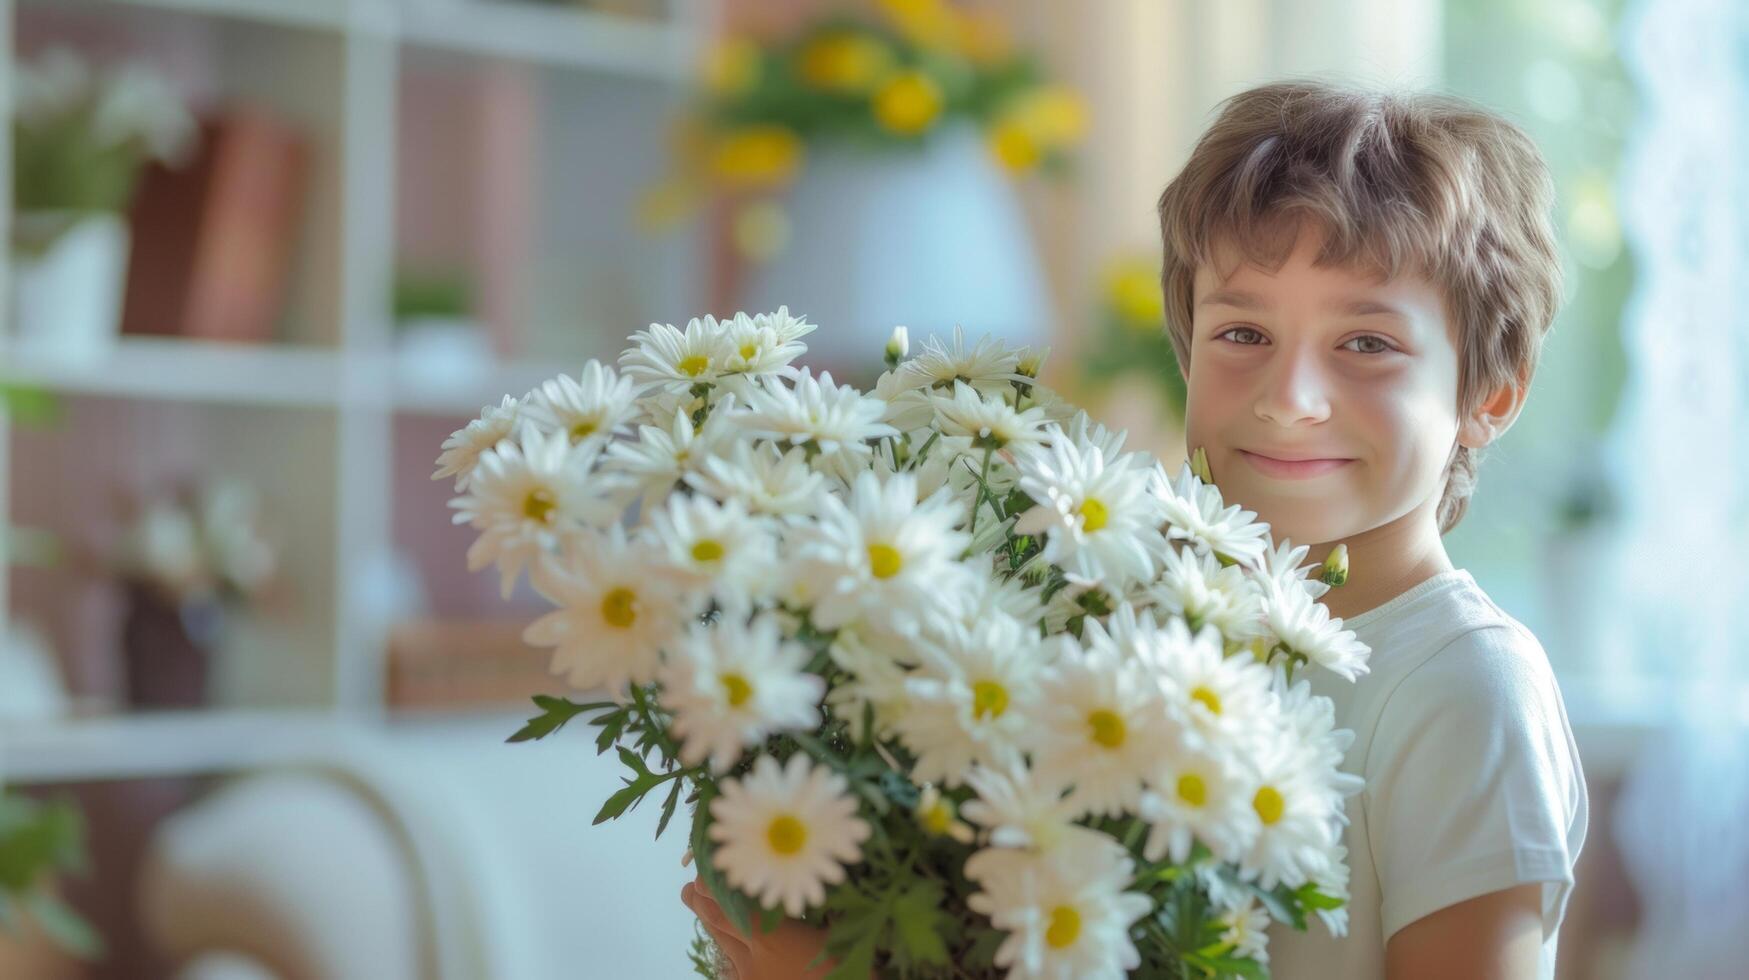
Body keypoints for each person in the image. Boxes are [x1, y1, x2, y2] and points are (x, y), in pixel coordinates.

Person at [685, 77, 1590, 979]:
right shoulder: (1115, 620)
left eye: (1366, 344)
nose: (1289, 400)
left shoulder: (1465, 693)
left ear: (1487, 394)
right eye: (1242, 334)